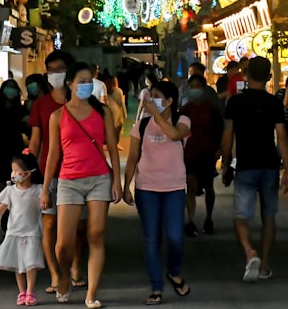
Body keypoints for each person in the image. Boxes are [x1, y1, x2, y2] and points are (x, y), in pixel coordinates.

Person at [41, 62, 123, 308]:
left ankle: (92, 293)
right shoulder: (58, 116)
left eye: (90, 81)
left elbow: (113, 147)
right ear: (70, 83)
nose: (87, 85)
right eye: (82, 81)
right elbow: (53, 154)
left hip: (99, 178)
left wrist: (117, 180)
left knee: (95, 234)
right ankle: (64, 275)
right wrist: (45, 189)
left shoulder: (103, 111)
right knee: (63, 243)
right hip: (69, 181)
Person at [220, 56, 288, 283]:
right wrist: (287, 170)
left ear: (246, 76)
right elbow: (281, 137)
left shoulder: (235, 103)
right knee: (268, 216)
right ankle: (265, 266)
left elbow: (227, 135)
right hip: (269, 165)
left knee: (241, 216)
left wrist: (225, 161)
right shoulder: (274, 103)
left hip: (245, 165)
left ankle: (250, 251)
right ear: (269, 77)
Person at [124, 80, 192, 305]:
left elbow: (174, 135)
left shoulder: (183, 121)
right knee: (151, 239)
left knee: (175, 237)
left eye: (156, 95)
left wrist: (156, 114)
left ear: (170, 101)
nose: (151, 99)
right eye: (150, 95)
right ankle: (156, 287)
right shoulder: (141, 126)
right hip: (147, 189)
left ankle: (173, 271)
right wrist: (126, 187)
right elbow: (132, 158)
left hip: (174, 188)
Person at [28, 50, 85, 296]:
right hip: (50, 175)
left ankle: (74, 267)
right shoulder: (41, 104)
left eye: (59, 69)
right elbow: (35, 143)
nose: (54, 75)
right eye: (50, 70)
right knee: (49, 225)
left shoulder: (84, 102)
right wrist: (28, 172)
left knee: (80, 228)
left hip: (79, 173)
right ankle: (54, 273)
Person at [0, 151, 45, 307]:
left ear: (28, 173)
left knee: (31, 263)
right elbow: (3, 206)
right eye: (12, 170)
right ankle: (22, 292)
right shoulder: (10, 191)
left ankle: (30, 291)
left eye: (16, 170)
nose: (13, 174)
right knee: (18, 264)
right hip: (14, 232)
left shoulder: (38, 190)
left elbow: (47, 206)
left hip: (32, 232)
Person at [181, 74, 223, 236]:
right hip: (189, 153)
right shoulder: (185, 110)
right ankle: (191, 221)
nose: (195, 90)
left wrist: (220, 149)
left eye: (198, 86)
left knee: (208, 186)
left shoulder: (212, 110)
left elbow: (219, 130)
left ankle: (208, 218)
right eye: (192, 87)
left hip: (207, 153)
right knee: (190, 185)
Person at [0, 80, 28, 233]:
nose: (11, 91)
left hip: (18, 155)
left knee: (18, 190)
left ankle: (13, 222)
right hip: (1, 155)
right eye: (8, 88)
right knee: (1, 193)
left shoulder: (21, 111)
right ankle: (6, 219)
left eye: (14, 88)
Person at [104, 75, 127, 146]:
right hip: (116, 111)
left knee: (108, 128)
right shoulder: (118, 90)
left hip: (107, 110)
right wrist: (124, 114)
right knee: (117, 128)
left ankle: (107, 143)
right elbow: (122, 104)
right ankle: (115, 144)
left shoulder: (105, 89)